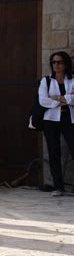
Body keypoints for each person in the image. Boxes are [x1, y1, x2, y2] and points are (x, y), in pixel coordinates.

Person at [39, 51, 74, 197]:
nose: (56, 65)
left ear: (65, 64)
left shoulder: (72, 80)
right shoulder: (46, 81)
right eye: (54, 62)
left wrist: (57, 98)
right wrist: (65, 100)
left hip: (69, 119)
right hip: (51, 120)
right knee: (54, 153)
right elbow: (43, 101)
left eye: (59, 62)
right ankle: (58, 187)